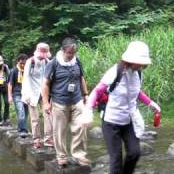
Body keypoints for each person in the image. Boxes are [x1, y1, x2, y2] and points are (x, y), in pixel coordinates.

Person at [85, 41, 161, 174]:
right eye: (140, 62)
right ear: (131, 59)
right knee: (116, 161)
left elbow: (136, 92)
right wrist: (88, 109)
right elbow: (96, 91)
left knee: (134, 153)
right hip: (111, 122)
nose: (142, 65)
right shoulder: (115, 71)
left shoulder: (138, 73)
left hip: (128, 120)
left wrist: (151, 103)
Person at [42, 38, 90, 167]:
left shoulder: (77, 61)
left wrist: (85, 95)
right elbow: (45, 84)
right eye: (69, 52)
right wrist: (46, 103)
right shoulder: (53, 63)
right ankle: (61, 156)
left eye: (73, 53)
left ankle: (79, 155)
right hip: (59, 101)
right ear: (62, 50)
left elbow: (81, 78)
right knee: (60, 130)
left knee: (80, 126)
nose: (71, 55)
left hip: (77, 99)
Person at [22, 42, 53, 149]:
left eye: (45, 53)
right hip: (32, 92)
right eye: (42, 52)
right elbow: (25, 79)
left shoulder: (48, 62)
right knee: (34, 117)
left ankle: (48, 139)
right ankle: (36, 139)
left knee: (48, 115)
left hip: (44, 93)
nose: (43, 56)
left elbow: (50, 79)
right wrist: (26, 94)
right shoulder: (31, 62)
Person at [8, 54, 29, 137]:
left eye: (25, 63)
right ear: (18, 62)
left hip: (26, 94)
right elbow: (10, 84)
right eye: (21, 63)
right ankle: (23, 130)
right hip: (17, 94)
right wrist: (9, 96)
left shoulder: (28, 70)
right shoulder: (14, 71)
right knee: (21, 111)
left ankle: (20, 128)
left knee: (26, 113)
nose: (23, 65)